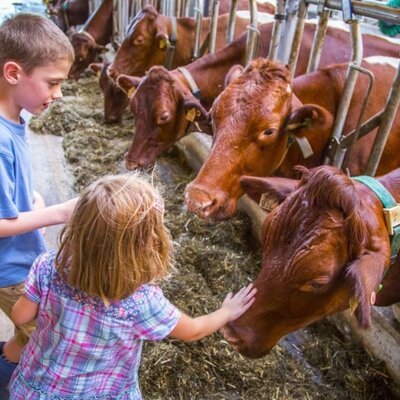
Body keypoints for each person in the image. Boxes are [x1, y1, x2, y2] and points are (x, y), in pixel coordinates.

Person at [8, 173, 257, 399]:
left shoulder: (49, 266)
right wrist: (226, 312)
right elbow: (193, 330)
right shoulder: (141, 303)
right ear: (146, 245)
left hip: (35, 388)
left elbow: (20, 315)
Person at [0, 12, 77, 392]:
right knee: (51, 334)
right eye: (53, 83)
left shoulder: (14, 118)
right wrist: (58, 212)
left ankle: (7, 357)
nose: (58, 94)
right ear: (13, 73)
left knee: (31, 327)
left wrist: (29, 200)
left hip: (18, 257)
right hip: (10, 268)